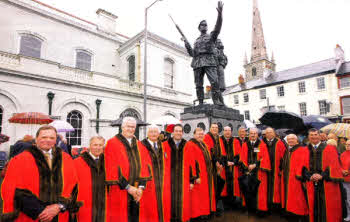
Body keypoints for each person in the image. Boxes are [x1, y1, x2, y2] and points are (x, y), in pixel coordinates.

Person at [0, 125, 80, 222]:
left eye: (52, 138)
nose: (48, 140)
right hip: (31, 216)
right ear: (36, 139)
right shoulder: (20, 159)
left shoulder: (66, 159)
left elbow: (74, 186)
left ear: (56, 140)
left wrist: (60, 206)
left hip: (60, 215)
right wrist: (41, 210)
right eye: (44, 137)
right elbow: (13, 189)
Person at [104, 117, 158, 222]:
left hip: (138, 190)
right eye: (128, 126)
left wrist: (141, 188)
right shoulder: (112, 143)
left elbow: (145, 166)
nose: (131, 129)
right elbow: (110, 168)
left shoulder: (139, 145)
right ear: (122, 127)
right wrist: (129, 188)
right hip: (120, 190)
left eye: (133, 127)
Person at [183, 1, 224, 105]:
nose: (204, 26)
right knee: (198, 84)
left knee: (214, 82)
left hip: (209, 61)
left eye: (205, 25)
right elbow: (192, 53)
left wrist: (220, 14)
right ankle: (200, 102)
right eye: (202, 25)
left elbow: (218, 27)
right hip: (197, 63)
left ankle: (216, 101)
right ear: (199, 27)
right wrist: (186, 44)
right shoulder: (196, 40)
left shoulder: (211, 36)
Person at [301, 128, 343, 222]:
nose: (314, 137)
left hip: (326, 183)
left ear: (320, 136)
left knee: (327, 207)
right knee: (312, 205)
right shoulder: (304, 150)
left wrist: (322, 176)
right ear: (308, 137)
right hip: (311, 183)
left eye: (316, 134)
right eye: (311, 135)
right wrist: (309, 176)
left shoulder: (330, 149)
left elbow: (334, 165)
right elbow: (302, 167)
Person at [161, 124, 191, 222]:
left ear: (182, 133)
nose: (178, 133)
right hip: (169, 179)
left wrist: (192, 180)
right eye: (176, 131)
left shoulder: (187, 145)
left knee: (183, 201)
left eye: (180, 131)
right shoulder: (164, 145)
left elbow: (192, 163)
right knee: (169, 201)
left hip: (184, 179)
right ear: (172, 133)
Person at [74, 136, 106, 222]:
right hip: (85, 203)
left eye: (100, 145)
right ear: (90, 146)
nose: (98, 148)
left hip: (103, 204)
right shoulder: (77, 162)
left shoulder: (108, 162)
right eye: (95, 145)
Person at [239, 128, 271, 214]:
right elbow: (242, 158)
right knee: (247, 189)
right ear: (248, 134)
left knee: (259, 191)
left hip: (259, 172)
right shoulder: (245, 145)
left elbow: (265, 158)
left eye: (255, 133)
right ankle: (248, 208)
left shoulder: (262, 145)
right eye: (251, 133)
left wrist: (255, 165)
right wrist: (247, 167)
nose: (253, 135)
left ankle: (260, 210)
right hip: (248, 171)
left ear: (258, 135)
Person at [187, 127, 216, 220]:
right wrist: (194, 177)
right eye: (198, 134)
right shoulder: (190, 144)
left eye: (202, 134)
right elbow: (190, 162)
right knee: (196, 198)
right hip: (198, 176)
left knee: (203, 197)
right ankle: (196, 216)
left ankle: (204, 213)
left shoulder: (203, 144)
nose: (200, 135)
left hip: (206, 175)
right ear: (194, 134)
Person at [280, 134, 308, 222]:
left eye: (292, 139)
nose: (290, 141)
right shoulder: (288, 150)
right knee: (289, 197)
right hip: (287, 178)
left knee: (298, 199)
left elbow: (304, 165)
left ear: (297, 140)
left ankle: (298, 215)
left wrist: (301, 178)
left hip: (296, 179)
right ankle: (290, 213)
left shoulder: (302, 150)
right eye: (289, 139)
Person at [141, 125, 164, 222]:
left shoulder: (161, 145)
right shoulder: (142, 145)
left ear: (159, 134)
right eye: (151, 132)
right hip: (148, 181)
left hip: (160, 180)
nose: (153, 134)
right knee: (148, 206)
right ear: (147, 133)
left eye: (155, 132)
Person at [203, 123, 225, 215]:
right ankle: (212, 209)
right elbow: (209, 151)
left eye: (216, 128)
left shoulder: (219, 138)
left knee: (219, 185)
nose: (215, 129)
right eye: (213, 127)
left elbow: (223, 152)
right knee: (212, 187)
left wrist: (222, 164)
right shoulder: (207, 137)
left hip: (219, 167)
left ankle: (217, 207)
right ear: (210, 128)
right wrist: (216, 163)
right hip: (211, 167)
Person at [262, 127, 286, 210]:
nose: (269, 134)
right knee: (264, 188)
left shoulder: (279, 143)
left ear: (274, 133)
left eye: (270, 132)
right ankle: (266, 205)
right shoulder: (262, 143)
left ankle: (275, 206)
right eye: (267, 133)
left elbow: (284, 158)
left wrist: (282, 169)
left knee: (275, 189)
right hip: (264, 171)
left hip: (276, 170)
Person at [219, 126, 238, 209]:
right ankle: (224, 204)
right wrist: (225, 162)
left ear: (231, 131)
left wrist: (233, 162)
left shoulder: (235, 141)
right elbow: (218, 153)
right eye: (225, 130)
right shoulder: (219, 141)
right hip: (223, 167)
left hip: (233, 167)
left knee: (233, 185)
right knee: (223, 185)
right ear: (223, 131)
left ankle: (232, 203)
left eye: (229, 130)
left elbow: (239, 154)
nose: (227, 132)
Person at [215, 38, 228, 104]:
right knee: (217, 85)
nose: (220, 43)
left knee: (221, 86)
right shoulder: (215, 51)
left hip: (221, 68)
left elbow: (225, 60)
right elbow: (218, 57)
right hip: (216, 68)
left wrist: (222, 64)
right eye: (219, 42)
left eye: (220, 42)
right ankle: (219, 100)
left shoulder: (222, 53)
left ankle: (220, 101)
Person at [341, 140, 350, 222]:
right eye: (346, 144)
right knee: (347, 199)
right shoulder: (343, 154)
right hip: (345, 180)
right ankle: (349, 215)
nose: (347, 146)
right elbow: (338, 165)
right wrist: (342, 170)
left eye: (349, 144)